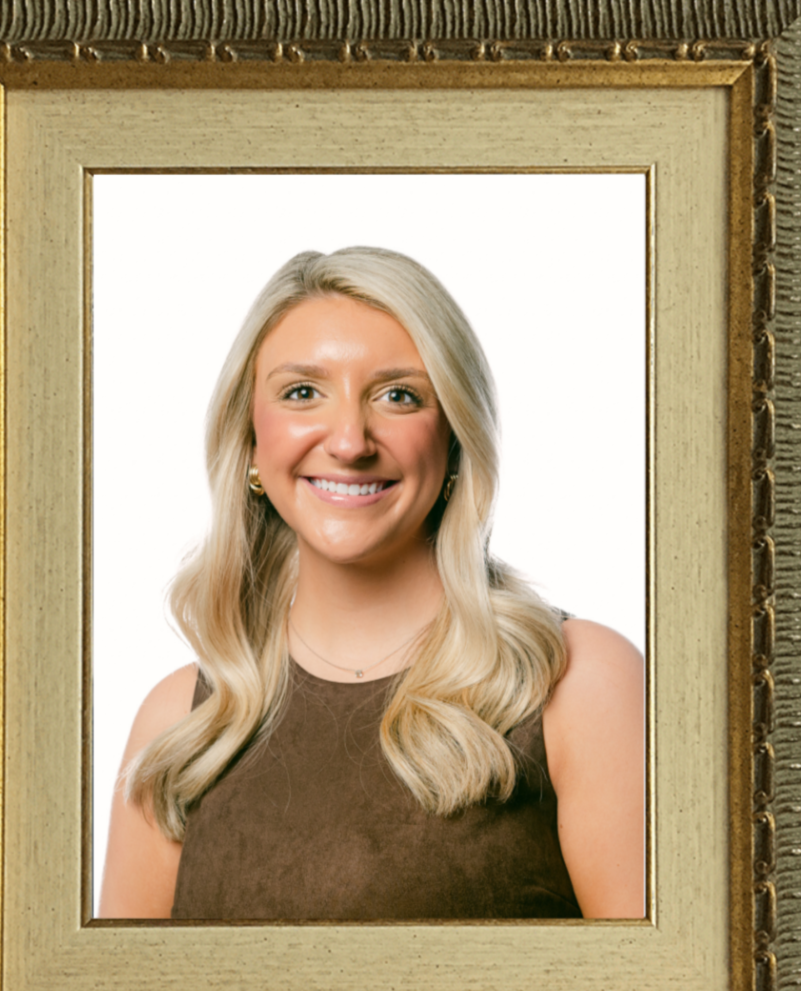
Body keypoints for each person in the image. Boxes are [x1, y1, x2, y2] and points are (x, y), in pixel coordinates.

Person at [98, 247, 645, 921]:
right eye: (303, 392)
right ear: (249, 443)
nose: (351, 440)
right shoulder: (183, 722)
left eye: (398, 395)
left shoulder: (578, 682)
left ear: (452, 440)